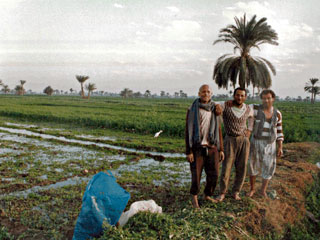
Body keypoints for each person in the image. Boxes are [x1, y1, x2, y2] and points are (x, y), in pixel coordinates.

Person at [185, 84, 224, 208]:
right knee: (196, 175)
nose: (205, 94)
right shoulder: (192, 109)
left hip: (212, 147)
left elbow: (218, 129)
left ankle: (207, 194)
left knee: (214, 174)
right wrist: (189, 151)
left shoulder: (215, 109)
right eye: (203, 92)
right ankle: (194, 197)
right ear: (199, 94)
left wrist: (221, 149)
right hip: (197, 148)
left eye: (208, 92)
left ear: (211, 94)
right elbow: (188, 131)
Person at [216, 87, 254, 201]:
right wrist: (219, 105)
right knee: (226, 167)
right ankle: (222, 192)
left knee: (241, 168)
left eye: (242, 95)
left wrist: (249, 130)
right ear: (234, 96)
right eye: (237, 95)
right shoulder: (226, 105)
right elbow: (214, 104)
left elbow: (252, 118)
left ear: (245, 97)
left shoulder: (248, 108)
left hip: (243, 140)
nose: (240, 97)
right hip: (230, 140)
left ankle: (236, 192)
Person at [247, 89, 284, 198]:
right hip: (256, 141)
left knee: (268, 166)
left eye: (268, 98)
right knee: (252, 165)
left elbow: (279, 131)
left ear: (273, 99)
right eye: (264, 98)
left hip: (270, 144)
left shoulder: (277, 114)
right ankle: (252, 189)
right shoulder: (254, 108)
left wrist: (280, 147)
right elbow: (241, 107)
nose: (266, 100)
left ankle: (263, 190)